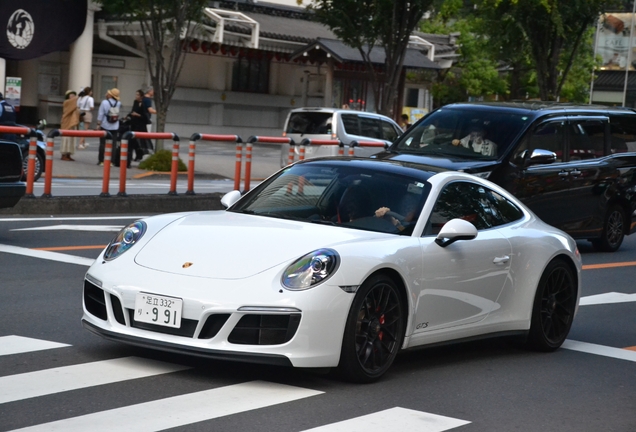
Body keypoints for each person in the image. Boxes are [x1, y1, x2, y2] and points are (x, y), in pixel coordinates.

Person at [96, 88, 122, 166]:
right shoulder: (118, 103)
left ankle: (101, 160)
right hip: (115, 125)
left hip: (105, 125)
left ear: (110, 95)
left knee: (102, 143)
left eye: (108, 93)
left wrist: (98, 124)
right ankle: (112, 161)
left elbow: (101, 114)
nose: (106, 94)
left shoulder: (104, 102)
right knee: (113, 144)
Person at [128, 89, 151, 161]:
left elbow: (144, 116)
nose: (136, 96)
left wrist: (137, 115)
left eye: (138, 95)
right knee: (133, 140)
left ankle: (141, 154)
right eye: (136, 94)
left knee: (141, 141)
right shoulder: (135, 102)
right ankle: (134, 155)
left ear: (141, 96)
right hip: (134, 123)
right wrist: (129, 115)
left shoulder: (143, 104)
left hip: (141, 125)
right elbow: (132, 111)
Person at [60, 89, 80, 161]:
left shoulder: (74, 104)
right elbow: (73, 102)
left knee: (72, 139)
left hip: (72, 124)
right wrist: (78, 96)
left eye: (74, 95)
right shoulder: (66, 102)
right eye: (71, 95)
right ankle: (64, 154)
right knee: (66, 139)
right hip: (67, 124)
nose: (73, 96)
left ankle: (69, 154)